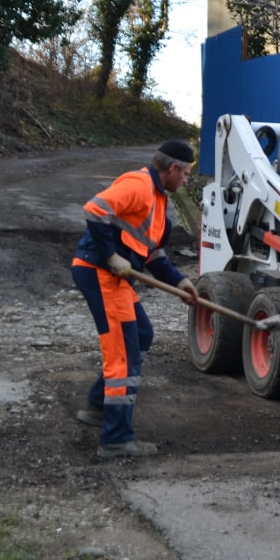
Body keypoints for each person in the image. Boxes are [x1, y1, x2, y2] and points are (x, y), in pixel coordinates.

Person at [71, 140, 200, 459]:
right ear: (172, 169)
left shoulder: (158, 202)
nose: (186, 180)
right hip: (101, 272)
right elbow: (95, 209)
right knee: (124, 356)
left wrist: (182, 282)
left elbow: (153, 254)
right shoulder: (139, 184)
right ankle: (115, 438)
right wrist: (110, 256)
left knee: (141, 334)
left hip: (116, 276)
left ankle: (97, 407)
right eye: (185, 174)